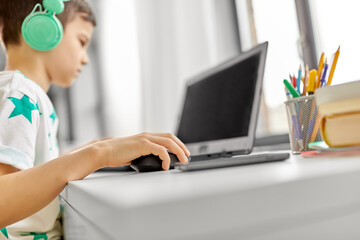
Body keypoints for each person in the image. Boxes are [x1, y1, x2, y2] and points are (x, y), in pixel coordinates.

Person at [0, 0, 190, 239]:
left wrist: (89, 149)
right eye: (81, 42)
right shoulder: (19, 92)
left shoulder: (28, 94)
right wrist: (100, 152)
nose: (85, 59)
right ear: (43, 29)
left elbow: (29, 174)